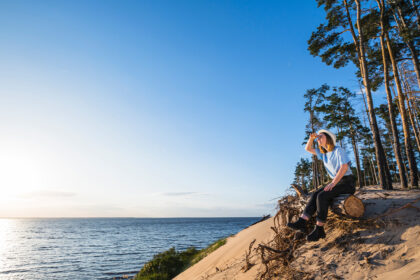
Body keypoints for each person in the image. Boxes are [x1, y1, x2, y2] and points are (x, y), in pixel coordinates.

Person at [287, 129, 356, 242]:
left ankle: (319, 229)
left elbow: (344, 167)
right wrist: (311, 138)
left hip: (347, 182)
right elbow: (308, 149)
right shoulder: (323, 153)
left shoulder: (339, 150)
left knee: (322, 196)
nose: (318, 139)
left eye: (321, 137)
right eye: (318, 138)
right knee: (315, 194)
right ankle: (302, 222)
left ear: (328, 138)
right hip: (337, 181)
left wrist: (333, 183)